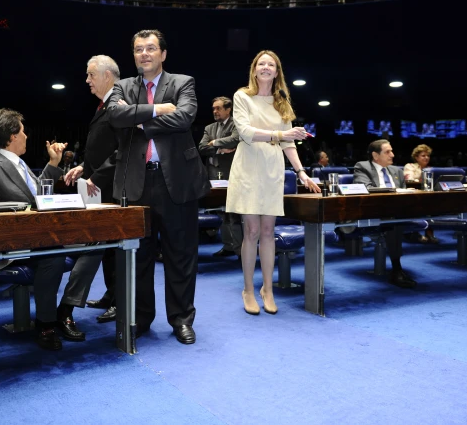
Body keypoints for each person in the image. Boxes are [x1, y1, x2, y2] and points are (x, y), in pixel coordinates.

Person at [108, 29, 210, 345]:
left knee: (181, 255)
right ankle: (140, 319)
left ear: (163, 54)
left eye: (151, 48)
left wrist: (138, 120)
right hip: (136, 183)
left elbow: (185, 118)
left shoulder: (183, 83)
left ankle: (181, 319)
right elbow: (114, 115)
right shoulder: (121, 86)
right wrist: (158, 109)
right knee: (138, 257)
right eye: (139, 49)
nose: (145, 54)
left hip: (177, 182)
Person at [0, 108, 88, 350]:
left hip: (38, 238)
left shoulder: (18, 163)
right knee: (52, 255)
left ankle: (65, 307)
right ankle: (46, 325)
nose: (27, 136)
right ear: (12, 136)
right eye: (23, 131)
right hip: (11, 247)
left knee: (97, 243)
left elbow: (37, 197)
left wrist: (53, 163)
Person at [227, 50, 320, 315]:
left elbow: (289, 143)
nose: (266, 67)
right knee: (251, 232)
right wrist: (281, 133)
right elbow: (245, 132)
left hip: (272, 171)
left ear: (277, 72)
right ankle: (247, 289)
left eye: (271, 64)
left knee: (268, 232)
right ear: (254, 69)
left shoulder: (282, 103)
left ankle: (267, 288)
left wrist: (301, 172)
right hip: (247, 169)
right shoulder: (242, 95)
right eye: (261, 63)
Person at [63, 55, 121, 324]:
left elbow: (124, 149)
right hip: (101, 183)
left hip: (115, 186)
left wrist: (96, 176)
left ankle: (121, 302)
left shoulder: (121, 102)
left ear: (107, 75)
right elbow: (103, 146)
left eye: (90, 75)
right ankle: (112, 295)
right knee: (107, 247)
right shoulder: (103, 104)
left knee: (117, 247)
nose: (86, 80)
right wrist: (84, 167)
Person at [353, 139, 417, 288]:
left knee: (395, 218)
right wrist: (392, 192)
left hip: (396, 211)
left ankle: (397, 268)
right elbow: (365, 188)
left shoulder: (397, 171)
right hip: (373, 212)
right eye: (388, 152)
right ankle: (397, 269)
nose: (392, 155)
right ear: (375, 155)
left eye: (392, 151)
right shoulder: (362, 167)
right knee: (392, 221)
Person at [198, 96, 242, 258]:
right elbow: (202, 147)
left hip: (233, 173)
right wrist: (219, 149)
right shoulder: (209, 128)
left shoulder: (236, 124)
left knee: (234, 213)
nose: (215, 111)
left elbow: (235, 139)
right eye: (213, 109)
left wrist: (215, 142)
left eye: (218, 108)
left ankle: (240, 251)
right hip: (214, 175)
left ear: (228, 109)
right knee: (222, 213)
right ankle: (228, 246)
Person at [403, 144, 438, 244]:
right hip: (413, 196)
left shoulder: (431, 169)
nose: (426, 158)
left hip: (428, 197)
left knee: (433, 206)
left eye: (428, 156)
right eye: (423, 155)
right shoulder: (410, 166)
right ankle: (414, 234)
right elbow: (410, 180)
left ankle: (429, 234)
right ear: (416, 157)